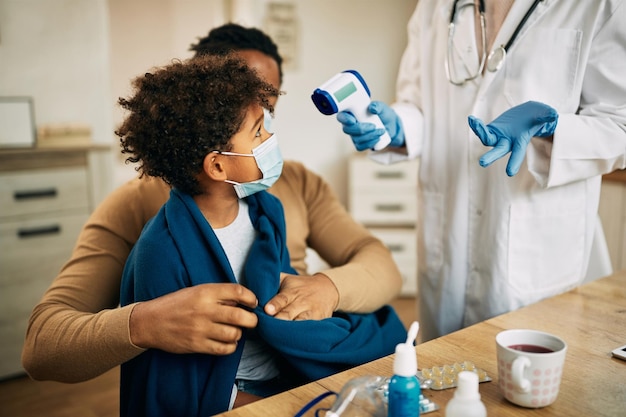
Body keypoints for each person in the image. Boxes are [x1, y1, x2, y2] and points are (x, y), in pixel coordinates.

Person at [21, 23, 403, 383]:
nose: (263, 128)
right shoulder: (139, 210)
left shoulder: (297, 184)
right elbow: (42, 345)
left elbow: (379, 263)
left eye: (266, 107)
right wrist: (143, 323)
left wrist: (327, 288)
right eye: (234, 106)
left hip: (296, 363)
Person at [115, 54, 405, 416]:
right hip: (234, 394)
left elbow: (280, 298)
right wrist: (285, 406)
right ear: (218, 165)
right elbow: (173, 382)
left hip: (285, 367)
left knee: (380, 338)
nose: (270, 138)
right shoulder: (161, 252)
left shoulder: (266, 212)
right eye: (257, 132)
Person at [336, 0, 626, 342]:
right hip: (448, 244)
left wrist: (551, 128)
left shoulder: (601, 5)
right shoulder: (434, 7)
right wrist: (398, 128)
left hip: (535, 251)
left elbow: (619, 124)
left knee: (528, 378)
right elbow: (417, 102)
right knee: (442, 372)